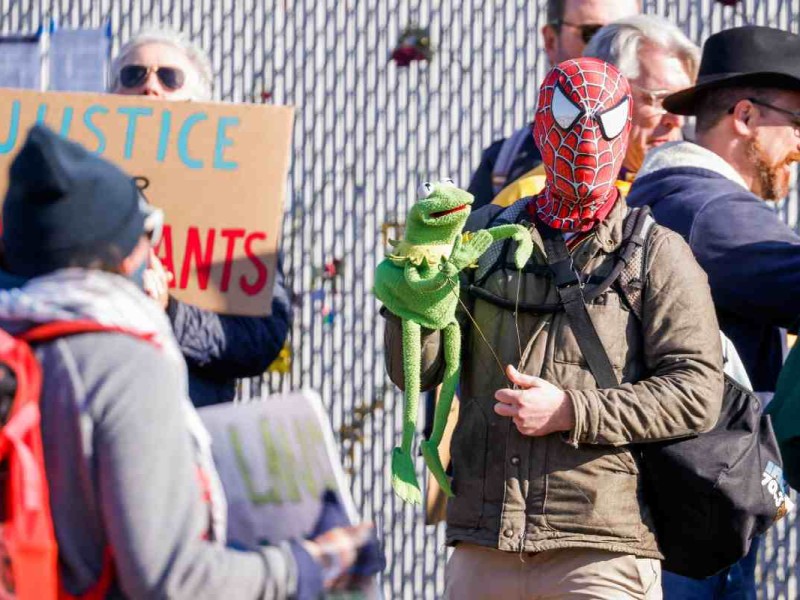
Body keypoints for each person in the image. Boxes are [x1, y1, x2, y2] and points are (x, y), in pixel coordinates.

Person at [383, 57, 723, 599]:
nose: (587, 139)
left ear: (625, 129)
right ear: (543, 123)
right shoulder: (482, 240)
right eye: (569, 118)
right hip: (486, 540)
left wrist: (571, 410)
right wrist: (414, 291)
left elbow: (698, 391)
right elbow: (416, 374)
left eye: (607, 123)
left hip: (600, 546)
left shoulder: (656, 252)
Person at [0, 124, 370, 597]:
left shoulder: (20, 337)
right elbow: (174, 580)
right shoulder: (123, 364)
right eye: (147, 232)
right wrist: (311, 563)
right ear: (127, 252)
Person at [626, 25, 800, 599]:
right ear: (746, 116)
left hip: (663, 505)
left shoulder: (662, 196)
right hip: (690, 515)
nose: (798, 144)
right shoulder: (710, 209)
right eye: (795, 123)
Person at [109, 26, 293, 407]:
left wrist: (170, 311)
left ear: (199, 106)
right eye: (133, 75)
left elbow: (259, 338)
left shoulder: (240, 204)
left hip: (183, 424)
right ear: (109, 95)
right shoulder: (61, 189)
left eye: (169, 78)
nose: (150, 87)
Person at [491, 13, 699, 208]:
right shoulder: (531, 198)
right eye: (661, 100)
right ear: (603, 97)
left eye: (683, 103)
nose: (677, 120)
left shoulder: (698, 192)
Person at [467, 0, 640, 208]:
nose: (615, 50)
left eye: (628, 35)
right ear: (551, 41)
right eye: (593, 33)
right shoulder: (506, 162)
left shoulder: (669, 150)